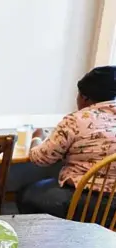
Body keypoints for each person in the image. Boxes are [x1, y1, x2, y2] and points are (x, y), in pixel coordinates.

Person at [17, 66, 116, 220]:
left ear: (84, 97)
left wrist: (37, 138)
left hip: (87, 202)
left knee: (28, 193)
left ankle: (58, 240)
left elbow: (41, 159)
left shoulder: (76, 120)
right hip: (113, 211)